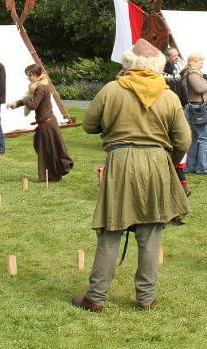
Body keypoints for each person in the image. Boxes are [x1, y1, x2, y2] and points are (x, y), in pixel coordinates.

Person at [72, 38, 191, 313]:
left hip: (121, 160)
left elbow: (89, 125)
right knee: (150, 233)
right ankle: (146, 298)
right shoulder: (169, 95)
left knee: (111, 230)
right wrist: (169, 162)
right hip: (157, 163)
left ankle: (96, 297)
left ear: (129, 63)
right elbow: (183, 139)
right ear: (156, 66)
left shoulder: (112, 90)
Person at [9, 64, 73, 182]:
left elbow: (33, 104)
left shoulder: (41, 88)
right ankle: (51, 175)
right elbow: (30, 100)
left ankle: (52, 176)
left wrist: (24, 100)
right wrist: (16, 103)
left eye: (28, 75)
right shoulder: (37, 87)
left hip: (47, 124)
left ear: (33, 75)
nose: (28, 78)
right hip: (46, 123)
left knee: (48, 150)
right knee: (43, 147)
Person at [181, 54, 207, 175]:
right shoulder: (192, 73)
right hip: (198, 108)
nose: (202, 64)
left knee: (194, 139)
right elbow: (199, 88)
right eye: (201, 62)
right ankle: (203, 167)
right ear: (194, 62)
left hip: (192, 108)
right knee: (205, 138)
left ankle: (190, 166)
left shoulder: (188, 73)